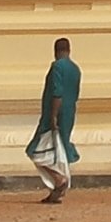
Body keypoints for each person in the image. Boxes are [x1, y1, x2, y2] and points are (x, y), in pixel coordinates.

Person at [26, 36, 81, 204]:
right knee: (59, 150)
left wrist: (53, 115)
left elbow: (57, 92)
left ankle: (59, 178)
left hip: (55, 113)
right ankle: (56, 193)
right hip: (70, 114)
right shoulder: (76, 69)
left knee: (35, 151)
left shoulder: (57, 66)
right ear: (69, 50)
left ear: (55, 51)